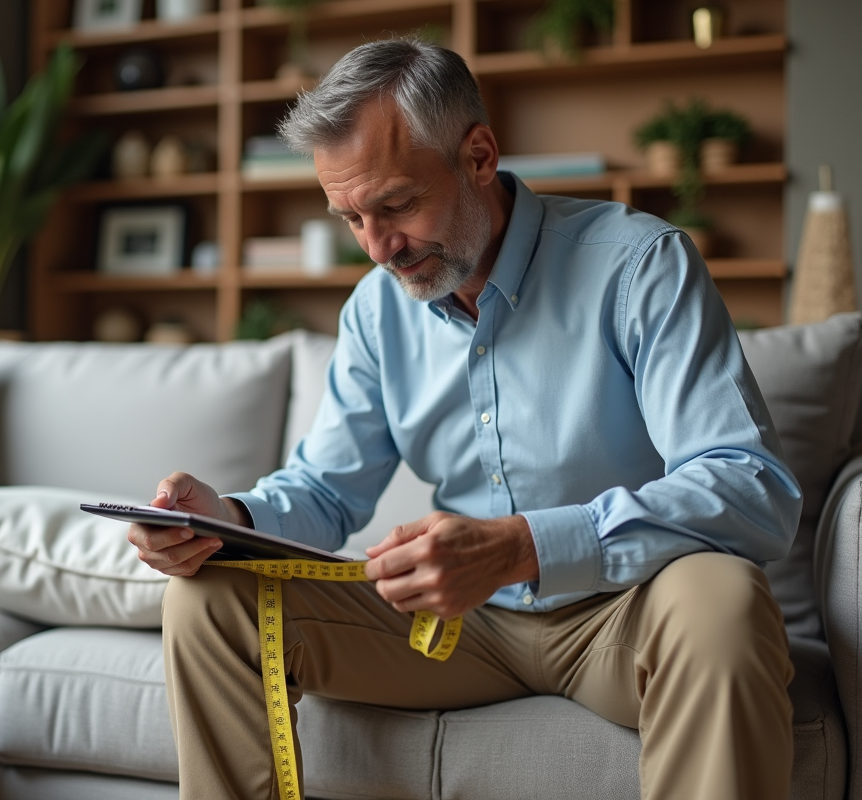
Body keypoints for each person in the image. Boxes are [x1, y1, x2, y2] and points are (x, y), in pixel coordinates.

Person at [128, 38, 802, 800]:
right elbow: (325, 491)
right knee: (210, 598)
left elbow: (752, 491)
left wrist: (524, 548)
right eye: (350, 218)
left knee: (724, 602)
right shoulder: (379, 312)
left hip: (628, 612)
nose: (379, 248)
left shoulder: (640, 267)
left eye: (396, 205)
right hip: (457, 632)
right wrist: (228, 518)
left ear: (478, 155)